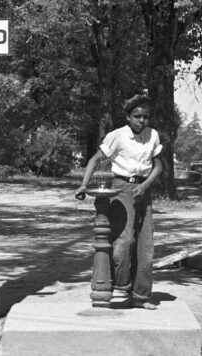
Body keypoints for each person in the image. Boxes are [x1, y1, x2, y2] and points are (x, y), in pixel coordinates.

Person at [75, 93, 163, 309]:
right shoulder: (117, 136)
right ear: (128, 117)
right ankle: (119, 284)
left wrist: (145, 186)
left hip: (144, 189)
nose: (142, 121)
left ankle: (140, 297)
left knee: (145, 245)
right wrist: (84, 185)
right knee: (124, 243)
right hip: (121, 188)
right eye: (137, 116)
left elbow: (159, 166)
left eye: (145, 117)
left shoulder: (153, 136)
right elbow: (96, 159)